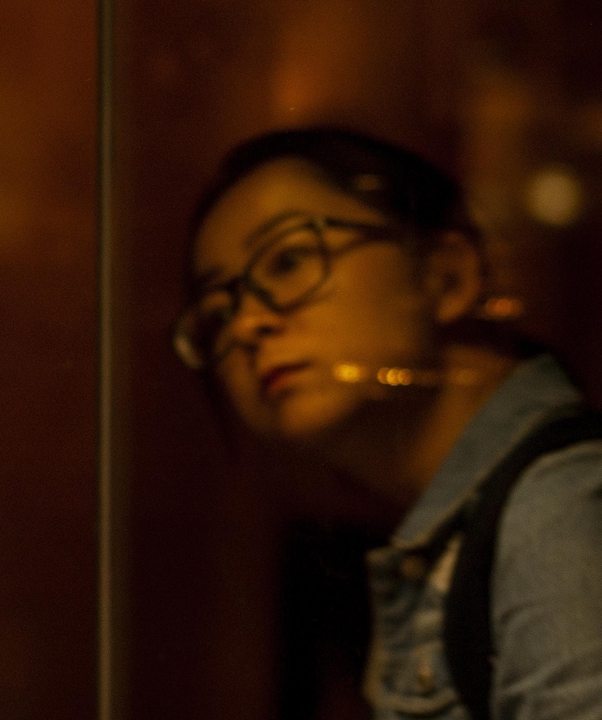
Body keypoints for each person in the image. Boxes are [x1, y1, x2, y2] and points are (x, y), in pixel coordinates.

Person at [174, 128, 602, 720]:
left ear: (447, 275)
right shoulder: (468, 530)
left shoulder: (555, 511)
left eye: (290, 259)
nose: (247, 325)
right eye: (218, 311)